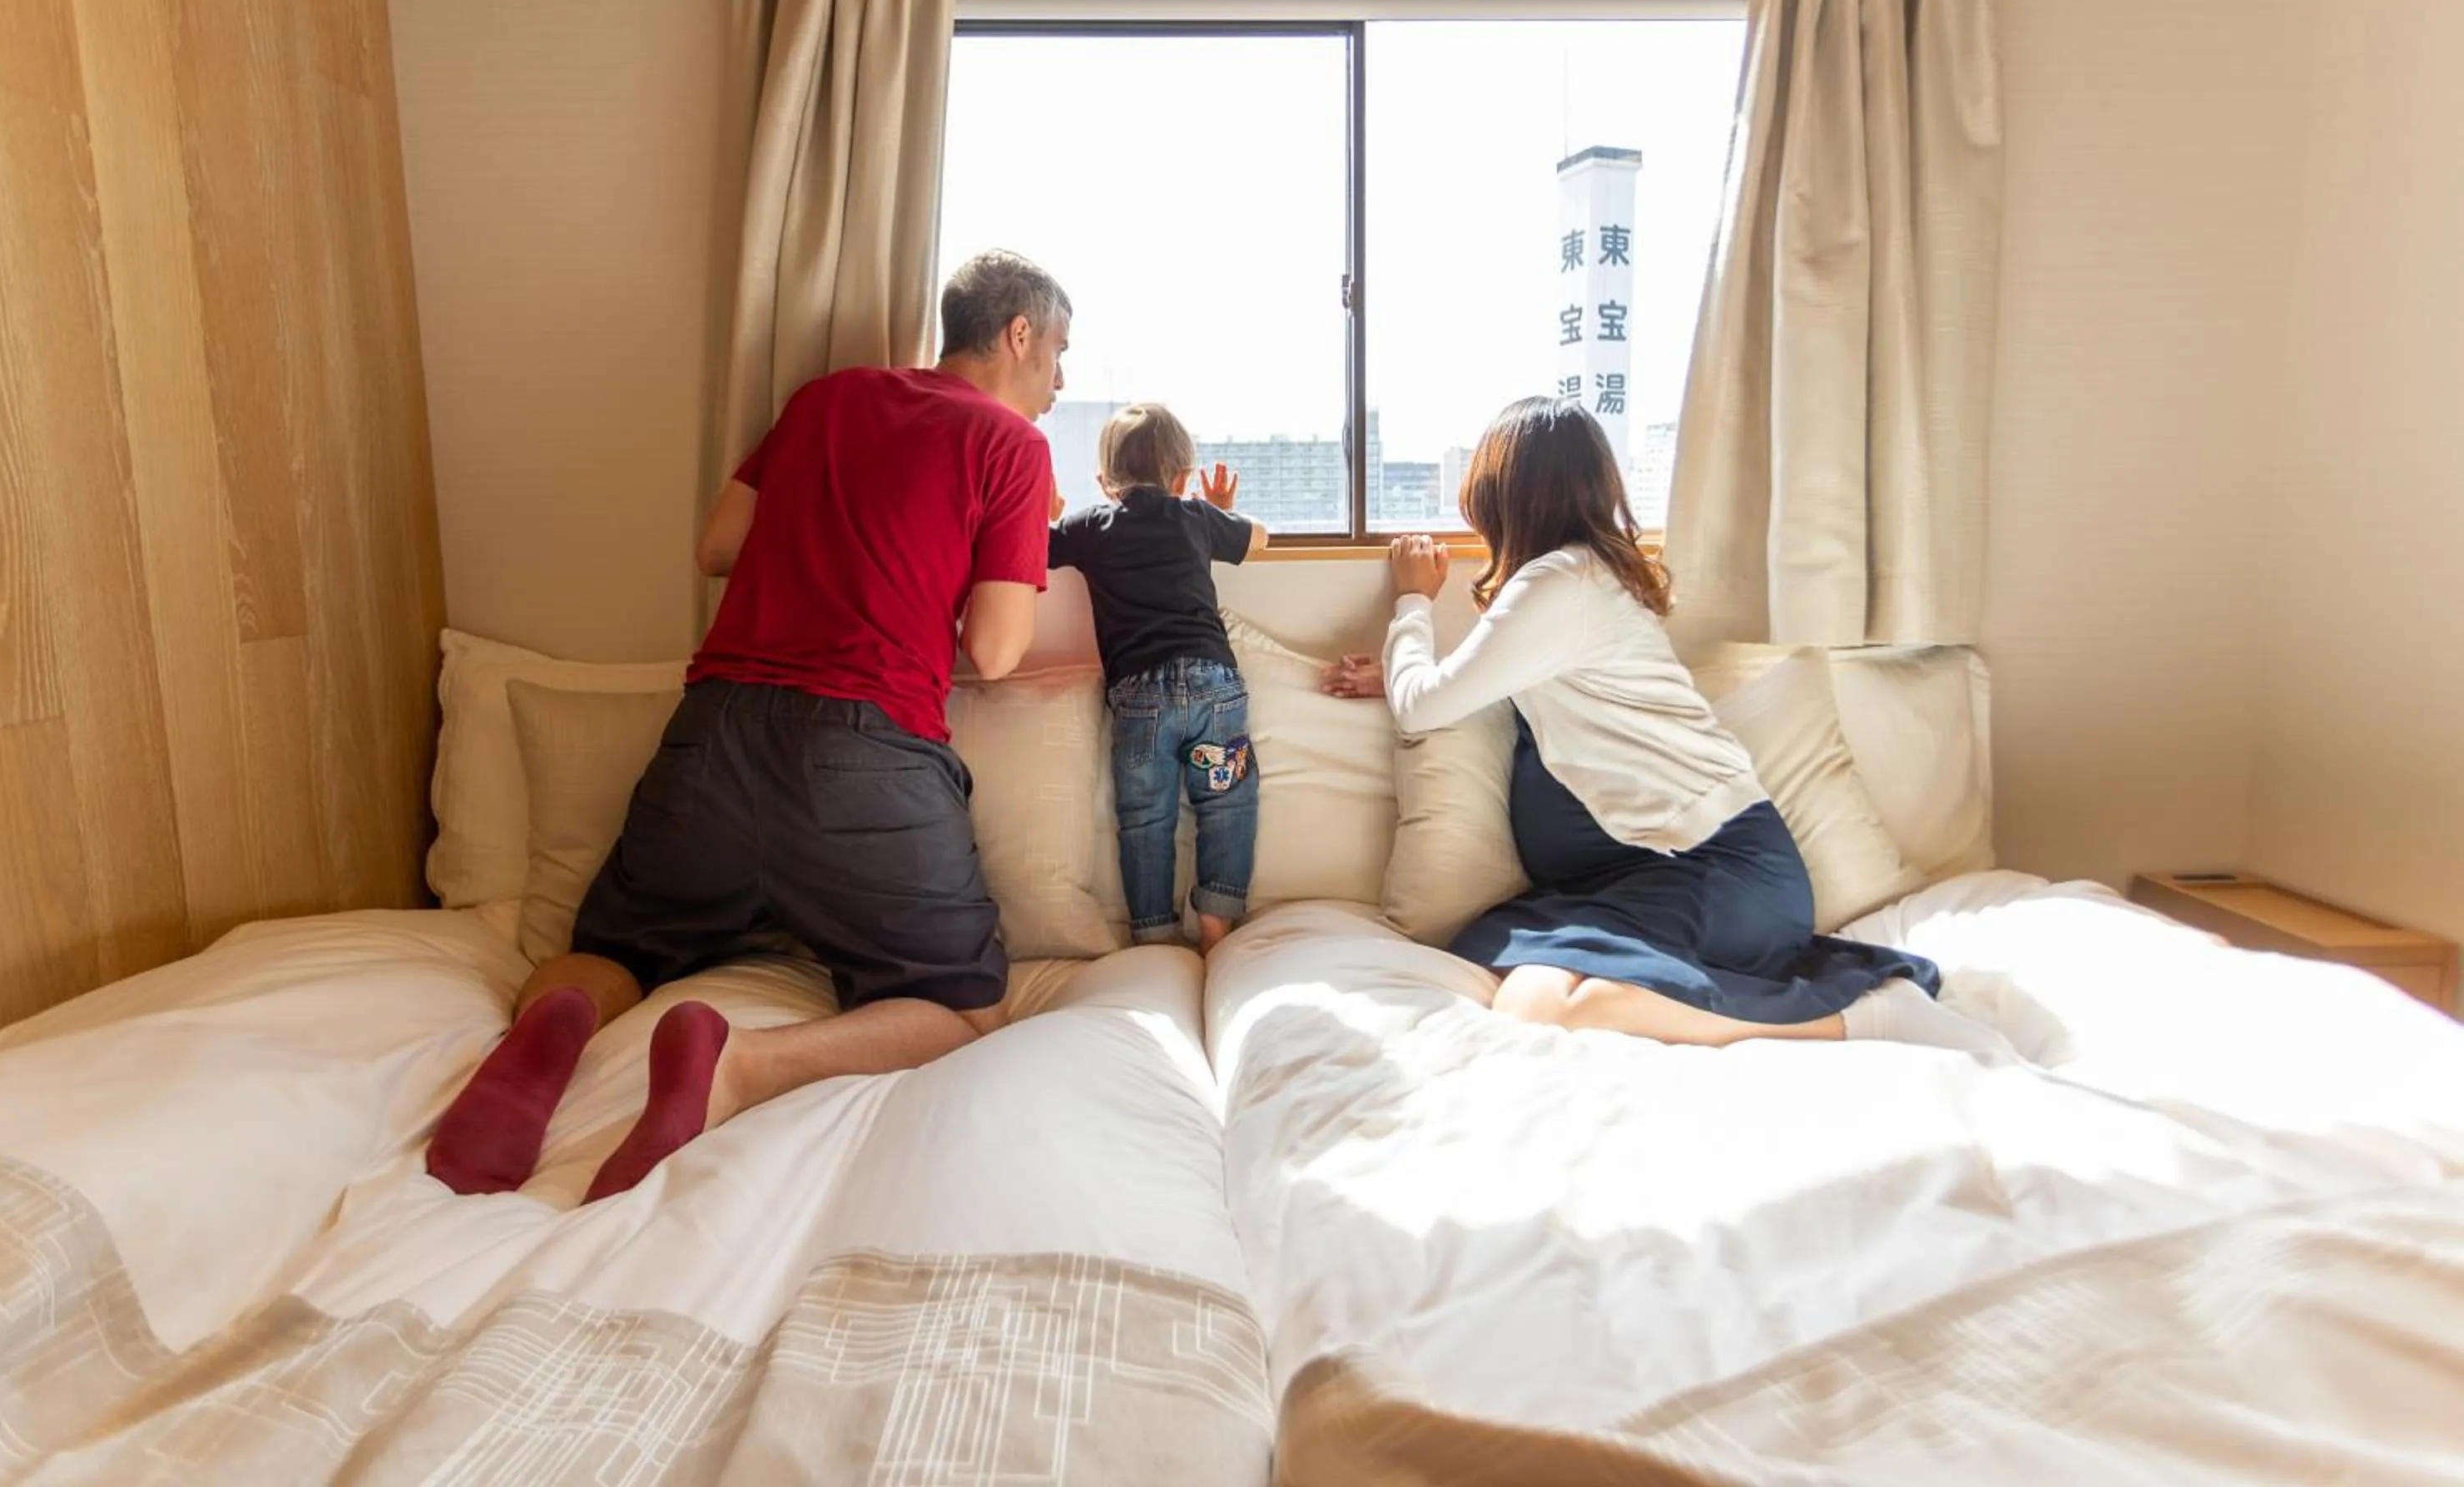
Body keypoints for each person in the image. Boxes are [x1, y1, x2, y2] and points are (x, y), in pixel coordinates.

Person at [426, 250, 1071, 1204]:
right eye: (1060, 353)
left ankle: (545, 1038)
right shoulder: (1012, 449)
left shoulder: (826, 398)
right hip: (866, 757)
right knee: (966, 1011)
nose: (1062, 380)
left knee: (613, 949)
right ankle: (738, 1067)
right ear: (1019, 334)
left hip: (714, 735)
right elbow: (1000, 648)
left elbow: (717, 546)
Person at [1322, 397, 2005, 1056]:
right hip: (1648, 878)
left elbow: (1424, 705)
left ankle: (1865, 1024)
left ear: (1505, 494)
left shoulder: (1560, 584)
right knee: (1526, 993)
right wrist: (1402, 674)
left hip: (1719, 870)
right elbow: (1513, 684)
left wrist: (1411, 599)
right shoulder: (1579, 581)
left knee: (1538, 1007)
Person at [1049, 404, 1268, 951]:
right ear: (1181, 479)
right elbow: (1260, 539)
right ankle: (1217, 917)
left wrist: (1046, 514)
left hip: (1140, 696)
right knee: (1227, 801)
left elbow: (1038, 548)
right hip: (1214, 684)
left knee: (1145, 816)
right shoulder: (1193, 516)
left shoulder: (1089, 527)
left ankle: (1154, 933)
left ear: (1104, 484)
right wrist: (1220, 513)